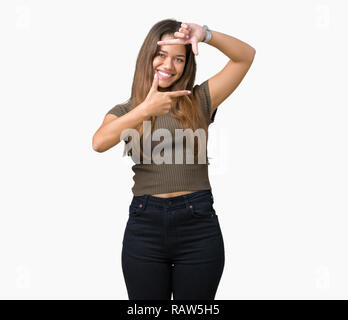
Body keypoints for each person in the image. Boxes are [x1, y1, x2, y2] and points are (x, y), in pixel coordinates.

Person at [92, 19, 256, 300]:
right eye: (162, 55)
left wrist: (205, 34)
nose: (169, 65)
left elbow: (245, 57)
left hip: (197, 225)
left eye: (179, 58)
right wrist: (145, 109)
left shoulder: (200, 99)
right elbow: (98, 142)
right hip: (145, 226)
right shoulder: (125, 111)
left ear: (187, 65)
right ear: (148, 56)